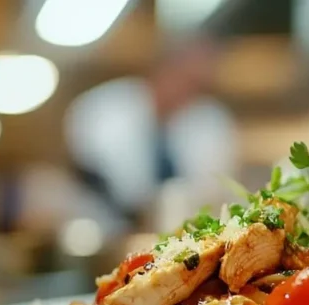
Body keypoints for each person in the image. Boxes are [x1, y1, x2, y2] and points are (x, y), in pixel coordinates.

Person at [64, 36, 237, 226]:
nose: (185, 90)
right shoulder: (99, 108)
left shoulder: (213, 120)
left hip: (182, 231)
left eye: (197, 85)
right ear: (161, 68)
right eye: (183, 77)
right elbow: (92, 174)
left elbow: (212, 186)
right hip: (105, 224)